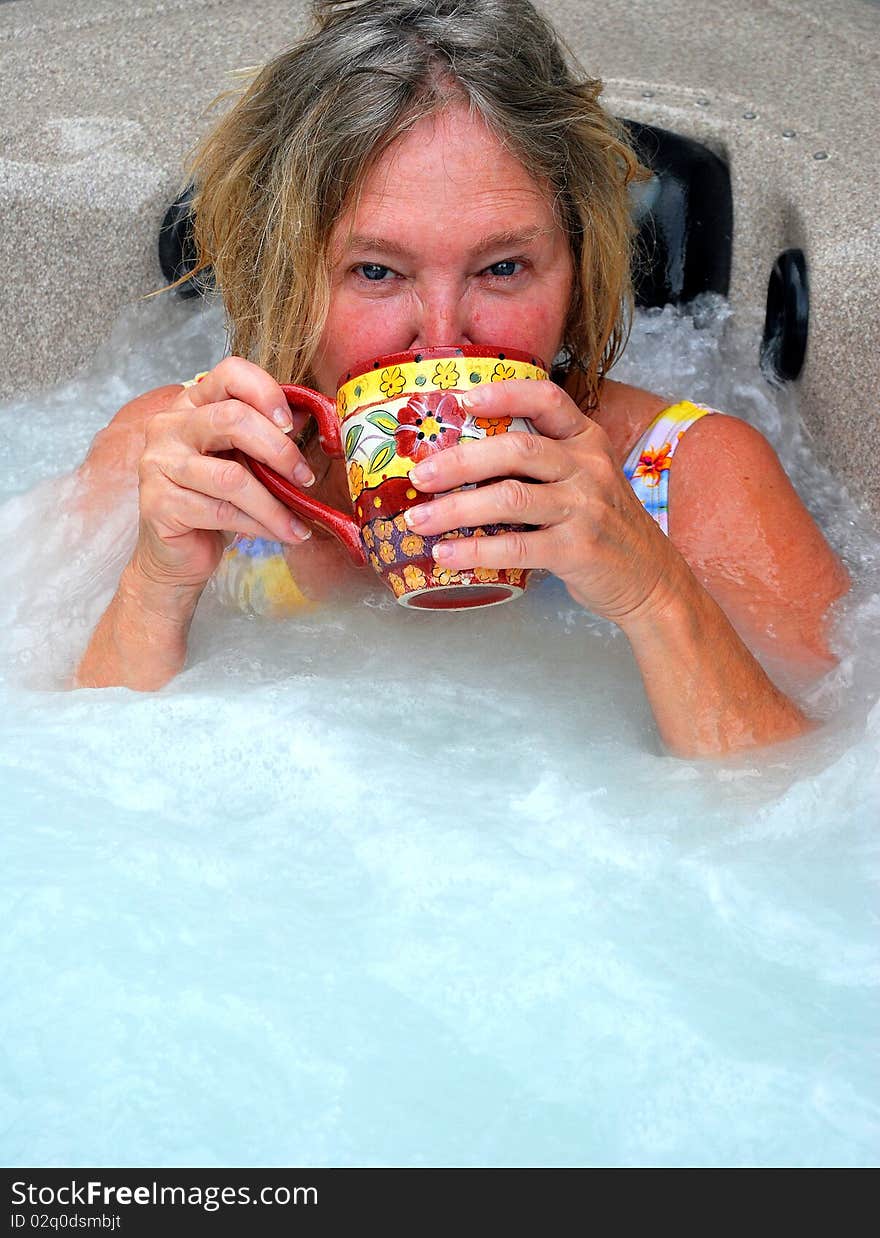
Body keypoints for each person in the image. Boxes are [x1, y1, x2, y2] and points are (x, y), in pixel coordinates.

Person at [73, 0, 849, 756]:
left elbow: (815, 814)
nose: (442, 339)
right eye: (375, 271)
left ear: (578, 269)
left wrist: (654, 595)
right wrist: (155, 586)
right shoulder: (175, 466)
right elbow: (65, 791)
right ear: (282, 273)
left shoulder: (695, 480)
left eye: (503, 267)